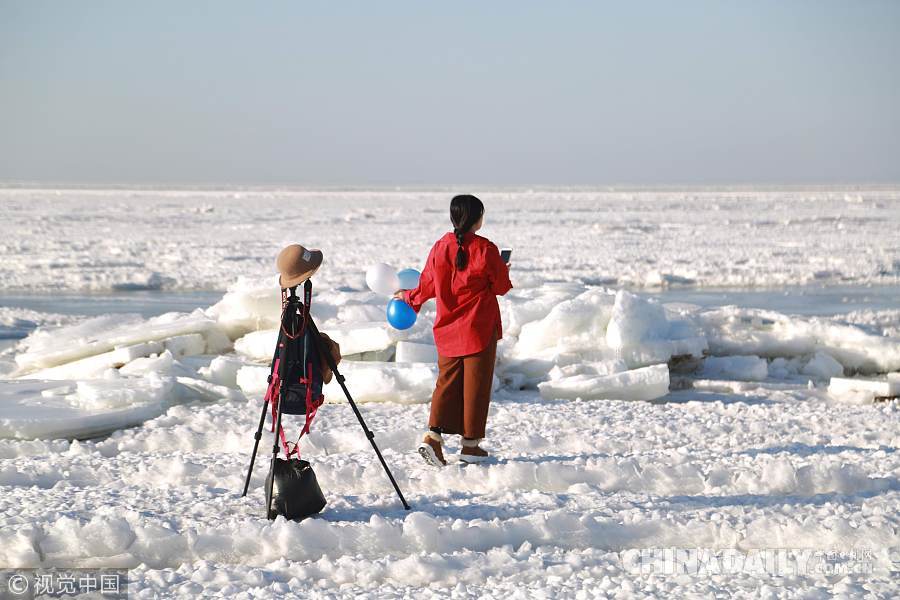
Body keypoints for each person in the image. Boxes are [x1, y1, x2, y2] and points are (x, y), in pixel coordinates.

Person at [396, 195, 512, 466]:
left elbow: (427, 285)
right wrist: (502, 269)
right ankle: (470, 446)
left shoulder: (440, 246)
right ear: (477, 218)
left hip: (448, 329)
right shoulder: (485, 249)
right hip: (478, 329)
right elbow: (501, 287)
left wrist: (408, 297)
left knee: (445, 384)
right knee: (476, 387)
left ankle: (433, 438)